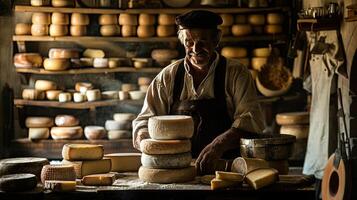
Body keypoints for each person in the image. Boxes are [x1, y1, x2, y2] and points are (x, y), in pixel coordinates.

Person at [132, 10, 265, 175]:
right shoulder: (167, 77)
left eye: (202, 41)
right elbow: (143, 122)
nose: (196, 49)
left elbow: (250, 121)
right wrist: (146, 141)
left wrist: (218, 146)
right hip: (179, 170)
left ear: (216, 39)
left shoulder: (236, 73)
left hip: (226, 170)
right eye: (189, 42)